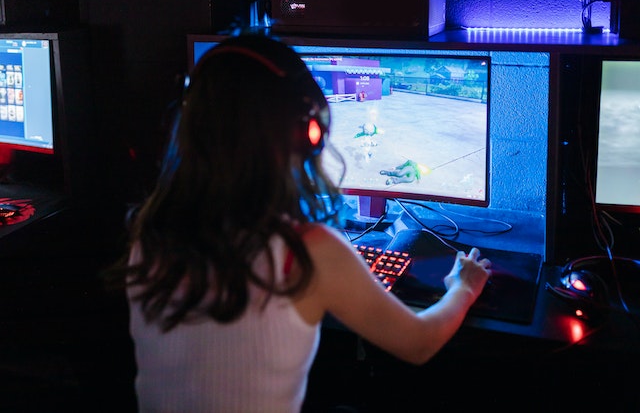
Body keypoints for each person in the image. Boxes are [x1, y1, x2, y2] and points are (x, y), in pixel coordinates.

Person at [109, 33, 492, 412]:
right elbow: (420, 343)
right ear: (308, 132)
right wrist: (463, 287)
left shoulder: (153, 229)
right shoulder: (308, 249)